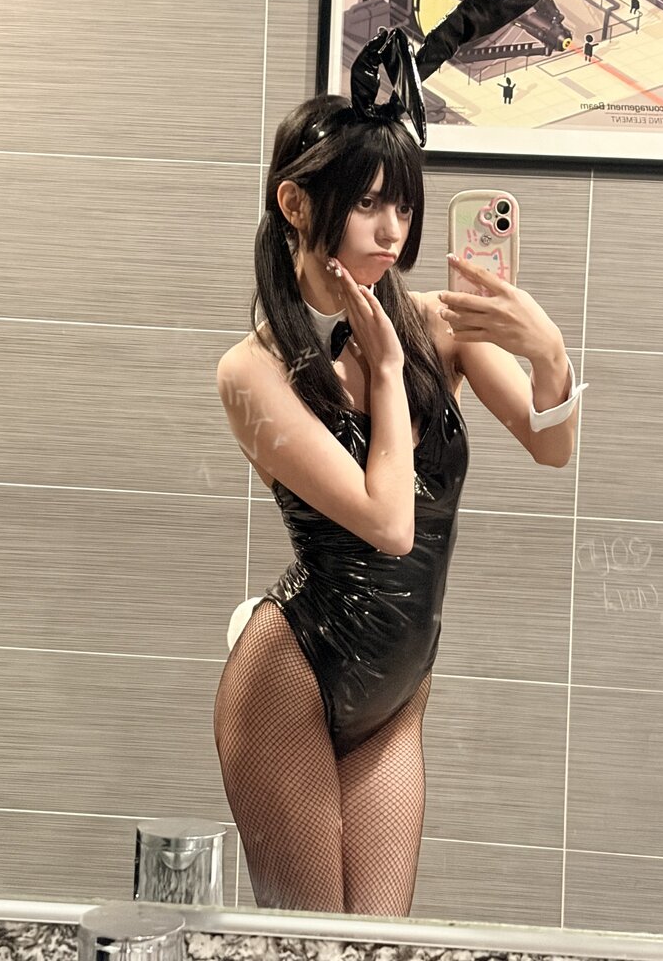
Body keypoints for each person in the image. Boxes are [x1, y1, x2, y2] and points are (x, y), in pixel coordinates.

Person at [212, 91, 587, 918]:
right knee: (309, 946)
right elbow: (388, 524)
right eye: (367, 204)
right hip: (293, 675)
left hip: (398, 689)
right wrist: (386, 373)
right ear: (295, 202)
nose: (392, 232)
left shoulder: (436, 326)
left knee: (380, 945)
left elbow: (552, 445)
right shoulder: (254, 371)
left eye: (405, 207)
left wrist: (550, 356)